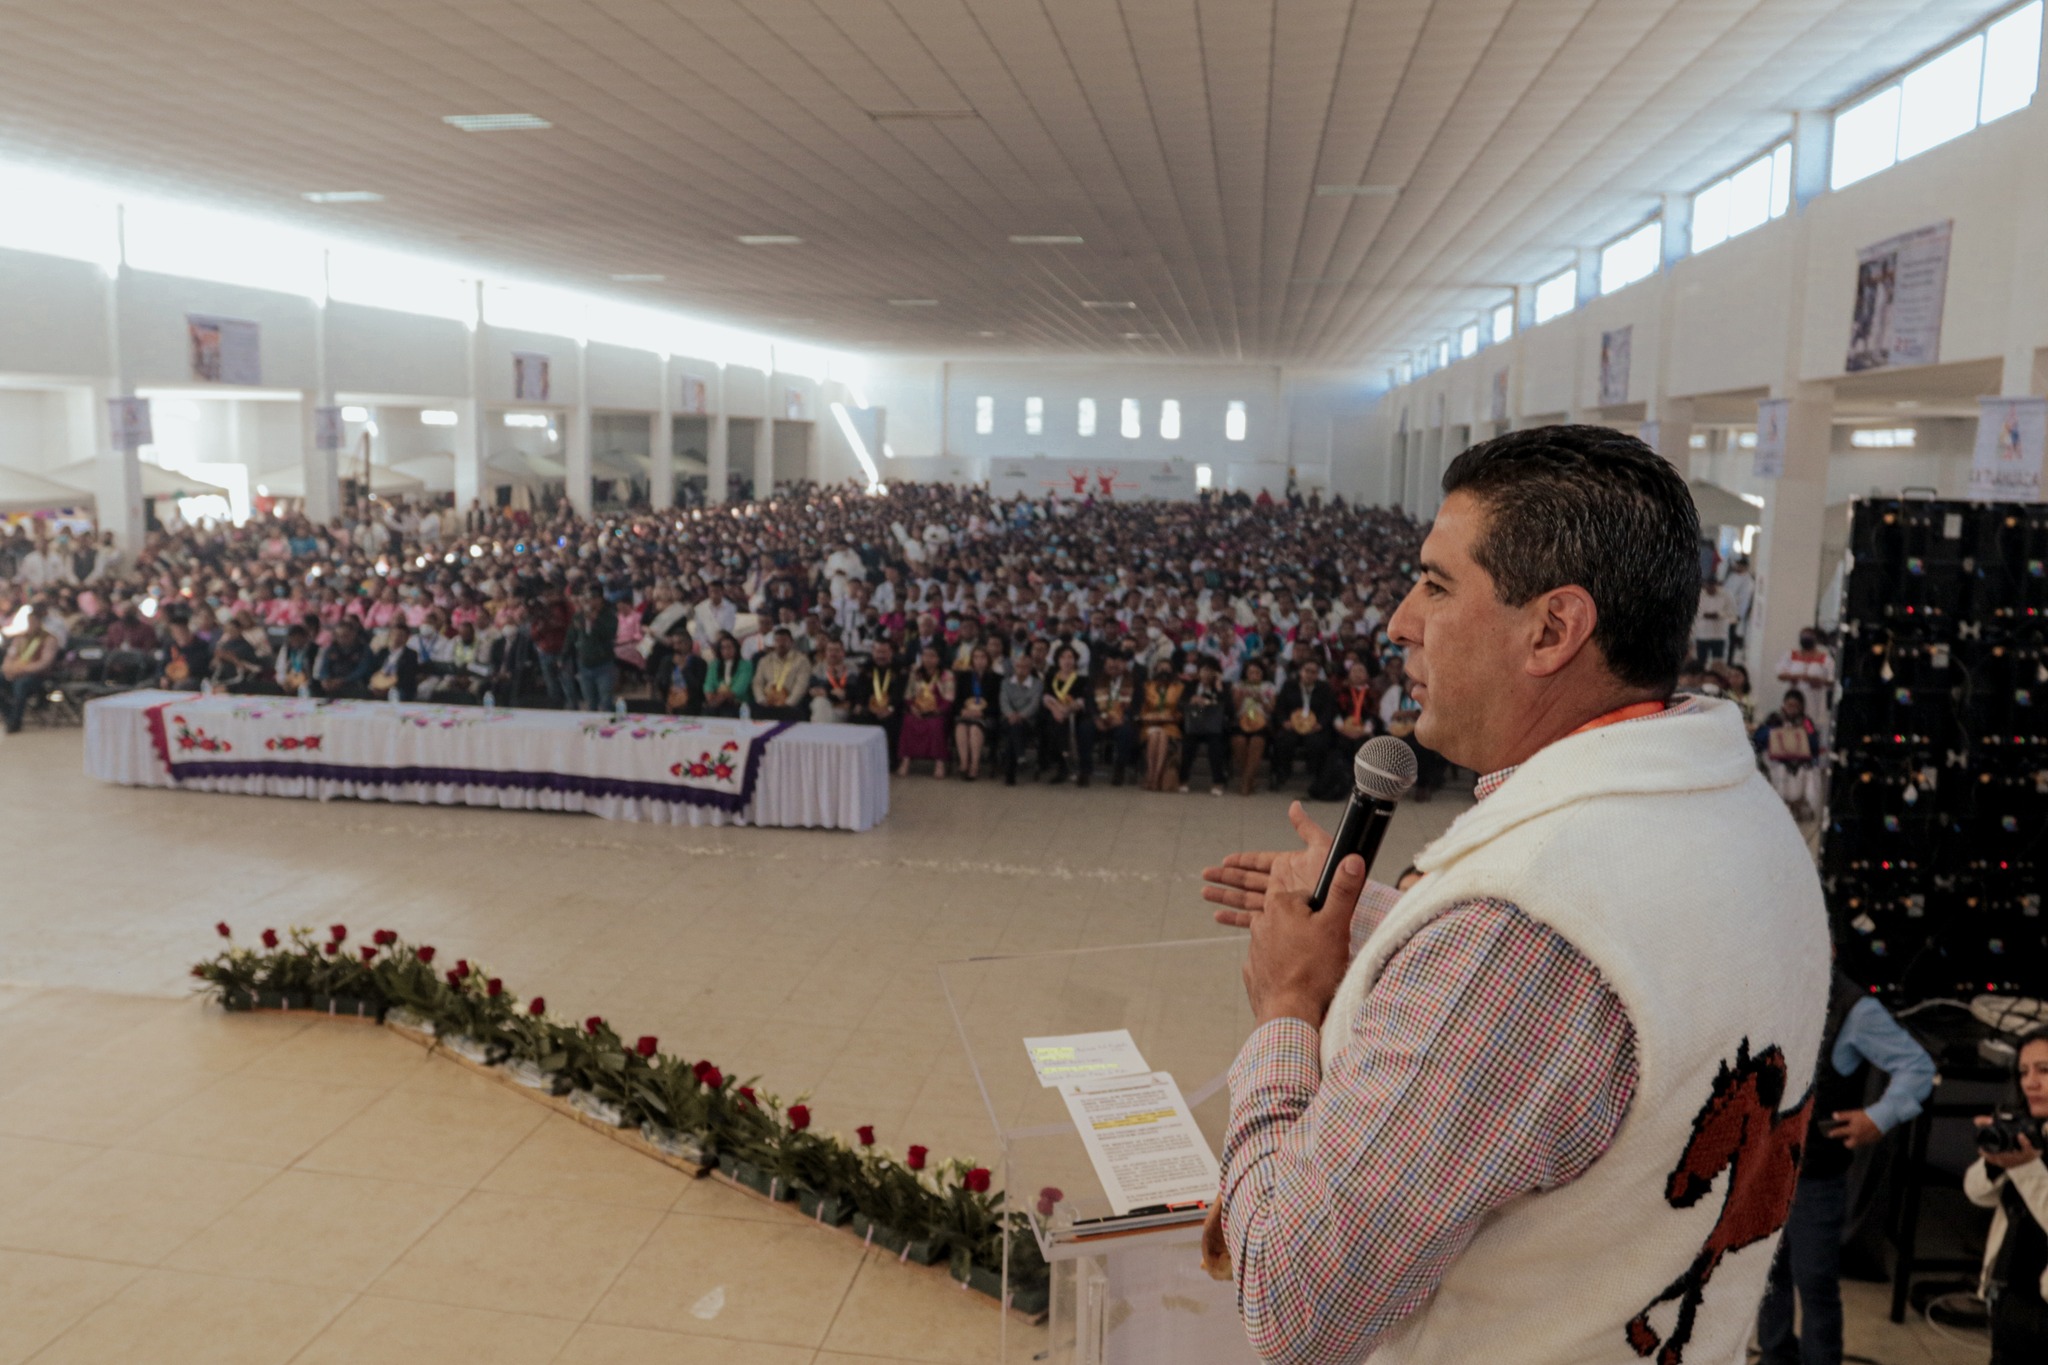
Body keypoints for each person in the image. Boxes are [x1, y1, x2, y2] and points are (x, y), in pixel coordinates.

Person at [1198, 425, 1827, 1365]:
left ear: (1553, 628)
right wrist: (1393, 938)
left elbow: (1297, 1301)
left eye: (1437, 584)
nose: (1402, 620)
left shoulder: (1522, 927)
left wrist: (1289, 1002)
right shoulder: (1745, 817)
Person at [1757, 969, 1935, 1365]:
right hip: (1763, 1170)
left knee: (1814, 1282)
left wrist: (1879, 1117)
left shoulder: (1853, 1008)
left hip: (1815, 1176)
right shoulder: (1761, 988)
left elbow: (1917, 1067)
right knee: (1766, 1278)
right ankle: (1774, 1358)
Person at [1966, 1027, 2048, 1362]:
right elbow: (1976, 1193)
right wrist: (1996, 1162)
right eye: (2024, 1072)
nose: (2030, 1083)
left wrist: (2027, 1166)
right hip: (2009, 1294)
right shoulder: (2027, 1128)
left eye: (2044, 1071)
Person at [1754, 688, 1823, 821]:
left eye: (1796, 706)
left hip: (1801, 763)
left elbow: (1814, 744)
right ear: (1784, 704)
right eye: (1789, 705)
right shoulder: (1774, 718)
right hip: (1777, 762)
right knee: (1779, 771)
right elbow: (1759, 737)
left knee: (1810, 774)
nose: (1792, 709)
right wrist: (1777, 731)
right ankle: (1778, 811)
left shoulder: (1806, 722)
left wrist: (1800, 733)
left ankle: (1804, 809)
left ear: (1801, 707)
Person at [1270, 656, 1334, 794]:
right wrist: (1284, 721)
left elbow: (1329, 710)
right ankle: (1282, 772)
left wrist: (1320, 724)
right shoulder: (1289, 686)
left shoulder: (1324, 688)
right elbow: (1280, 708)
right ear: (1301, 671)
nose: (1310, 674)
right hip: (1292, 726)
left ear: (1317, 674)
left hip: (1314, 727)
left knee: (1317, 743)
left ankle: (1316, 775)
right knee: (1284, 740)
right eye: (1307, 670)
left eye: (1314, 672)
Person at [898, 644, 955, 777]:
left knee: (936, 725)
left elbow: (949, 698)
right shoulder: (916, 672)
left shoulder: (947, 674)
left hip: (938, 711)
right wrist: (912, 707)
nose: (928, 659)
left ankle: (939, 763)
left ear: (939, 658)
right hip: (917, 709)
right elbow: (908, 694)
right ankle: (905, 761)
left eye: (932, 656)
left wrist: (936, 710)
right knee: (908, 721)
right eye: (925, 656)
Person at [2, 604, 60, 732]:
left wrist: (23, 670)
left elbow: (45, 662)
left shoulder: (49, 639)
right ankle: (8, 715)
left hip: (36, 676)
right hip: (16, 672)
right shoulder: (21, 638)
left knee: (21, 685)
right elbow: (10, 656)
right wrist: (8, 668)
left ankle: (15, 721)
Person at [1040, 645, 1090, 785]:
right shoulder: (1051, 676)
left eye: (1070, 657)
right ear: (1057, 660)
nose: (1067, 660)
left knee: (1064, 722)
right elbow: (1046, 697)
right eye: (1063, 657)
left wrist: (1067, 709)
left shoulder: (1082, 679)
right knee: (1055, 721)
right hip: (1054, 712)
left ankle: (1065, 762)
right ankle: (1065, 760)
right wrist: (1056, 709)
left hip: (1074, 713)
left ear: (1075, 660)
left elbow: (1082, 700)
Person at [1179, 657, 1229, 795]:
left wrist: (1219, 690)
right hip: (1194, 724)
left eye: (1210, 671)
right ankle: (1183, 779)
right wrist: (1192, 700)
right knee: (1188, 745)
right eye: (1204, 670)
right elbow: (1181, 704)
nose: (1206, 674)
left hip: (1214, 726)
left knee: (1216, 747)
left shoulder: (1222, 687)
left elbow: (1228, 708)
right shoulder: (1191, 686)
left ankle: (1218, 782)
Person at [951, 644, 1000, 781]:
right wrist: (962, 710)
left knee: (974, 728)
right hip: (966, 713)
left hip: (985, 716)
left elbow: (997, 703)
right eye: (976, 657)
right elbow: (957, 700)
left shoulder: (997, 679)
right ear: (972, 660)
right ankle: (964, 763)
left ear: (988, 660)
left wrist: (982, 712)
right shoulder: (964, 677)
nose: (979, 660)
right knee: (960, 727)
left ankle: (975, 765)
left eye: (983, 657)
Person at [1090, 652, 1139, 787]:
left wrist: (1124, 717)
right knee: (1084, 727)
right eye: (1111, 665)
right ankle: (1085, 769)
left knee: (1126, 731)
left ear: (1124, 665)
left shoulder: (1134, 680)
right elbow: (1090, 702)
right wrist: (1096, 718)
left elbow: (1137, 705)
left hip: (1121, 720)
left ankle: (1120, 768)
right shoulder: (1096, 679)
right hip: (1101, 718)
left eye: (1118, 664)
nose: (1114, 667)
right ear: (1105, 666)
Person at [566, 586, 618, 713]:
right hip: (584, 664)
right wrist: (563, 656)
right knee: (590, 703)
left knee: (606, 701)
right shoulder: (579, 616)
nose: (590, 601)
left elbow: (609, 634)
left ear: (600, 599)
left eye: (593, 598)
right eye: (587, 598)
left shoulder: (609, 616)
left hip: (603, 664)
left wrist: (595, 621)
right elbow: (571, 637)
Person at [854, 638, 907, 764]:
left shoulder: (900, 669)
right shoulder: (865, 668)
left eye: (884, 652)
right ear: (872, 652)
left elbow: (900, 693)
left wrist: (889, 708)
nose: (881, 656)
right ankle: (861, 759)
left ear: (891, 652)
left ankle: (890, 761)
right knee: (857, 717)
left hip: (892, 709)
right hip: (869, 708)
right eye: (878, 652)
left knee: (895, 721)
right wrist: (861, 705)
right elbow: (860, 690)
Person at [1230, 659, 1276, 797]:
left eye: (1257, 672)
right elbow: (1234, 709)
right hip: (1242, 719)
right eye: (1251, 672)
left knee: (1257, 742)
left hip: (1261, 721)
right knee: (1238, 741)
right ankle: (1250, 779)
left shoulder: (1268, 687)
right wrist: (1240, 697)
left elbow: (1271, 710)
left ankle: (1245, 781)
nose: (1254, 675)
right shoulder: (1239, 686)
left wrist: (1261, 699)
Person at [1138, 660, 1185, 792]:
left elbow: (1182, 710)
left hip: (1171, 724)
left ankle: (1157, 777)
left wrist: (1173, 717)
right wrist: (1148, 717)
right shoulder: (1147, 686)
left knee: (1163, 734)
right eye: (1161, 669)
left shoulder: (1179, 687)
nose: (1164, 672)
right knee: (1154, 735)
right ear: (1155, 671)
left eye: (1167, 669)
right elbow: (1142, 709)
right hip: (1150, 723)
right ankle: (1152, 775)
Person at [998, 651, 1043, 787]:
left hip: (1028, 722)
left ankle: (1010, 774)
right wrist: (1011, 715)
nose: (1021, 669)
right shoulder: (1006, 683)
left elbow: (1034, 704)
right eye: (1018, 666)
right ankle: (1020, 758)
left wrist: (1021, 716)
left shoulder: (1037, 684)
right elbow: (1003, 701)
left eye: (1025, 667)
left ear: (1030, 669)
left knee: (1014, 731)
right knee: (1014, 728)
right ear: (1014, 667)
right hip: (1008, 719)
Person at [751, 626, 810, 722]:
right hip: (767, 702)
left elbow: (801, 685)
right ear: (774, 643)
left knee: (794, 712)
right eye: (777, 641)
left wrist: (788, 703)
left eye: (784, 641)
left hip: (790, 703)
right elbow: (757, 683)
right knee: (753, 709)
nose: (781, 644)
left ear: (791, 642)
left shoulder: (801, 660)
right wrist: (762, 700)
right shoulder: (765, 660)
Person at [702, 632, 753, 719]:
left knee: (728, 712)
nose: (726, 651)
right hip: (716, 702)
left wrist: (720, 698)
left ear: (736, 648)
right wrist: (709, 695)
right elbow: (708, 684)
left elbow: (740, 687)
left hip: (737, 703)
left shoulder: (745, 665)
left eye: (729, 647)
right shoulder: (714, 665)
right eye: (723, 648)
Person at [661, 623, 708, 716]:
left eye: (680, 643)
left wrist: (684, 669)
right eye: (674, 644)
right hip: (671, 702)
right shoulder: (667, 661)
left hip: (692, 706)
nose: (676, 647)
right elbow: (661, 683)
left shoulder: (699, 662)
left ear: (689, 642)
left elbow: (698, 688)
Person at [368, 621, 421, 701]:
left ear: (407, 638)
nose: (396, 638)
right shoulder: (383, 652)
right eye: (394, 634)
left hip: (399, 687)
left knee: (395, 694)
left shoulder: (411, 654)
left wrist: (388, 687)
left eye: (400, 635)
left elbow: (408, 676)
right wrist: (376, 684)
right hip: (379, 683)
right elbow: (373, 669)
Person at [159, 613, 212, 690]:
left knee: (180, 687)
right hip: (171, 676)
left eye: (179, 630)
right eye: (174, 631)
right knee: (149, 684)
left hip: (192, 678)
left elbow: (200, 666)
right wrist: (163, 676)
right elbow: (163, 663)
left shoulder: (200, 645)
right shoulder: (170, 645)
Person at [808, 638, 855, 724]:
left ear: (843, 652)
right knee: (820, 701)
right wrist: (833, 694)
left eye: (837, 650)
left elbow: (852, 691)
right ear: (826, 652)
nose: (833, 654)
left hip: (846, 709)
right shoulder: (818, 669)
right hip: (825, 706)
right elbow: (814, 691)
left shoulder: (852, 668)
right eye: (830, 650)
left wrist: (827, 692)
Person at [1693, 579, 1734, 663]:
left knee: (1717, 662)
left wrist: (1719, 615)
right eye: (1708, 587)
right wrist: (1704, 615)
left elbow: (1731, 611)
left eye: (1713, 587)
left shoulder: (1726, 595)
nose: (1711, 589)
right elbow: (1693, 611)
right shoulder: (1699, 595)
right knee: (1701, 661)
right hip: (1702, 634)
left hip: (1718, 635)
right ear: (1705, 586)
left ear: (1716, 586)